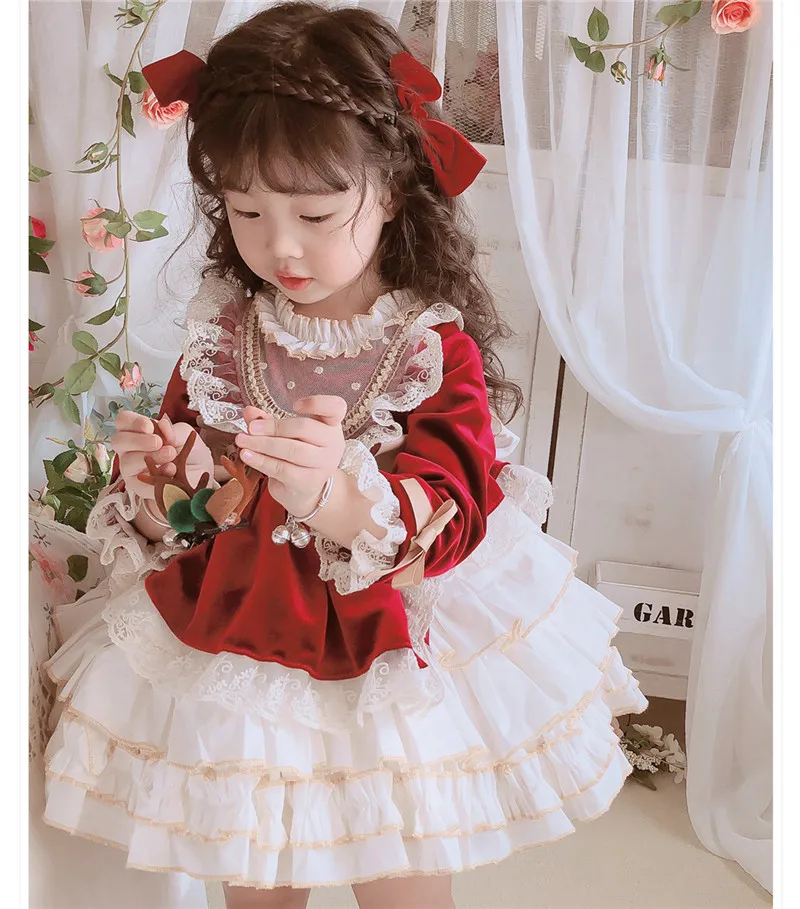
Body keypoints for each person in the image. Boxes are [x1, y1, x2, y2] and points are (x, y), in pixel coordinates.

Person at [42, 3, 647, 907]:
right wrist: (165, 485)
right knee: (257, 878)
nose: (279, 244)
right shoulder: (224, 337)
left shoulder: (427, 349)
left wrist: (333, 494)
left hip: (389, 656)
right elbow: (202, 515)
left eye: (316, 212)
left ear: (393, 189)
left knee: (400, 883)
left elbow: (454, 510)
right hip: (241, 649)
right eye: (247, 209)